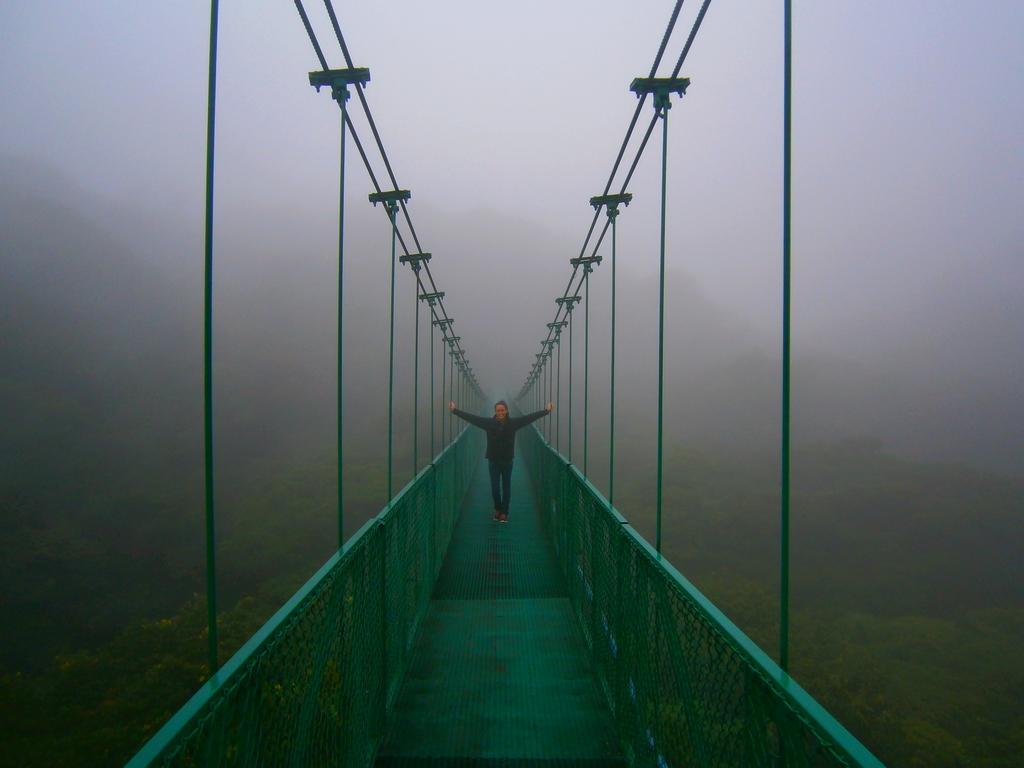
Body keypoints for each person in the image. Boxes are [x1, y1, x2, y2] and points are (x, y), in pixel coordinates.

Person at [449, 399, 553, 522]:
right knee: (495, 488)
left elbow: (529, 418)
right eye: (498, 410)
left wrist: (546, 411)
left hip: (507, 461)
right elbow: (473, 419)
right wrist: (455, 411)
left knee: (506, 487)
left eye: (502, 410)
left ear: (507, 410)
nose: (500, 412)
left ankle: (504, 512)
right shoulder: (488, 423)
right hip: (493, 460)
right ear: (495, 411)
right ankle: (498, 508)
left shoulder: (513, 423)